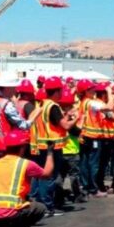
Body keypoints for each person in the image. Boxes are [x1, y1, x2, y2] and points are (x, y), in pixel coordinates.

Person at [0, 130, 53, 227]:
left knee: (21, 204)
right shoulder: (25, 164)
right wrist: (50, 153)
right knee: (40, 208)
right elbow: (47, 174)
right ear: (22, 147)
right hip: (9, 213)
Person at [30, 76, 77, 217]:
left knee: (40, 177)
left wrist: (66, 115)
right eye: (61, 90)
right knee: (49, 177)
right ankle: (47, 207)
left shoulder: (42, 104)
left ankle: (39, 205)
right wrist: (78, 118)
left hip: (40, 146)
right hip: (51, 148)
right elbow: (66, 126)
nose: (62, 93)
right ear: (56, 91)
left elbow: (51, 123)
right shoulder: (53, 107)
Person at [57, 89, 85, 203]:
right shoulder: (69, 119)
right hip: (71, 150)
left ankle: (58, 196)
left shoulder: (57, 117)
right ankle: (78, 195)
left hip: (60, 149)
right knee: (74, 175)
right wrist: (81, 119)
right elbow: (76, 131)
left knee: (60, 175)